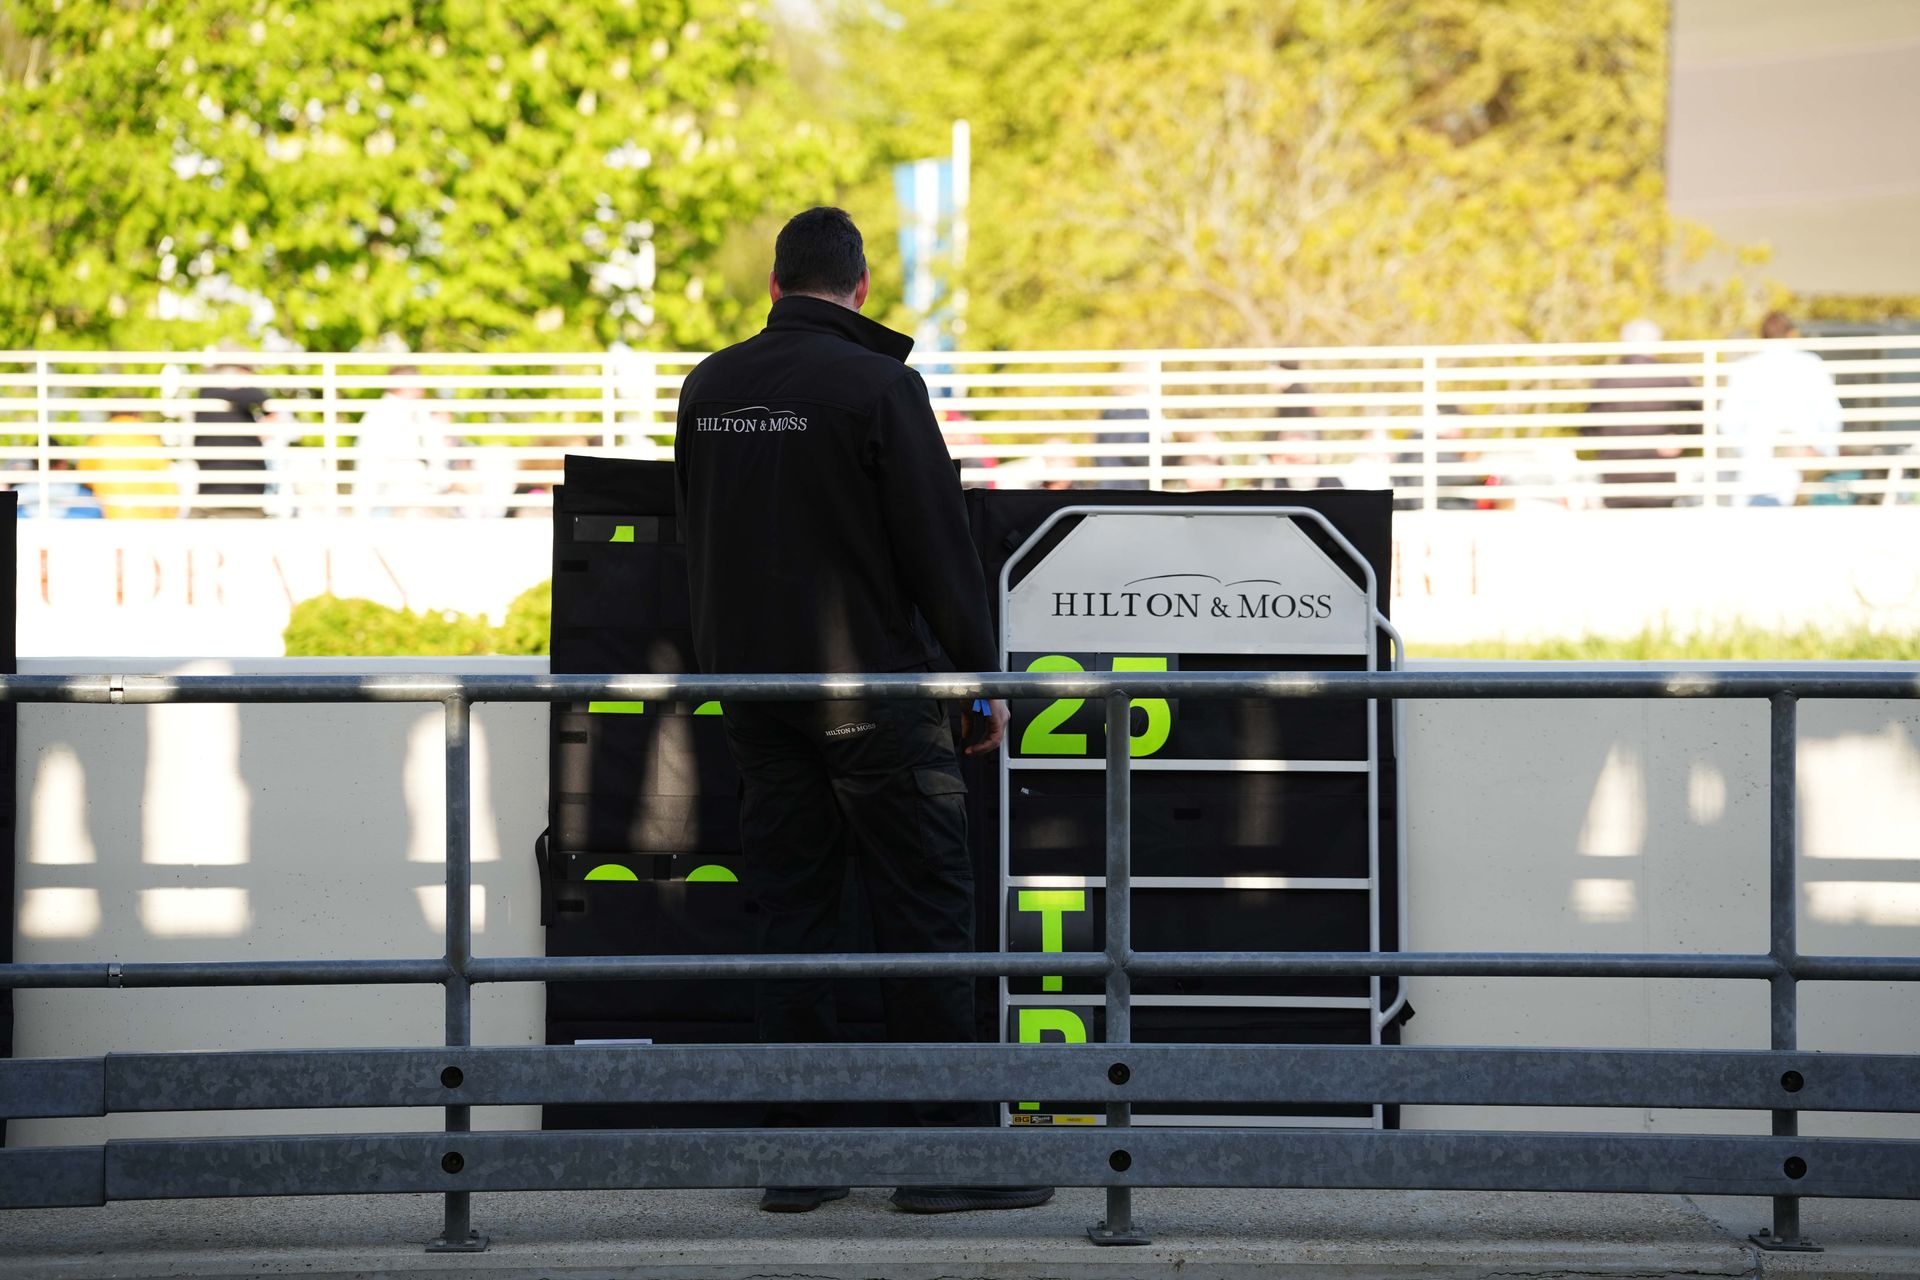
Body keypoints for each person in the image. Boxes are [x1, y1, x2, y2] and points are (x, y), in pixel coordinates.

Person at [673, 206, 1050, 1217]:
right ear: (863, 287)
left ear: (773, 286)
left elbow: (693, 537)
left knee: (794, 918)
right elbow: (938, 547)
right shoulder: (881, 385)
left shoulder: (708, 386)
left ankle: (800, 1159)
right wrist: (980, 680)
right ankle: (947, 1160)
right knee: (923, 912)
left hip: (756, 698)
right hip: (875, 698)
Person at [1718, 311, 1844, 506]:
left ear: (1762, 336)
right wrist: (1822, 449)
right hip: (1804, 463)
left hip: (1758, 467)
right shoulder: (1811, 365)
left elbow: (1729, 423)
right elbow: (1830, 415)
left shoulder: (1745, 369)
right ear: (1792, 333)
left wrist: (1749, 450)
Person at [1584, 320, 1696, 509]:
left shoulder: (1605, 380)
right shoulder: (1672, 378)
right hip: (1659, 480)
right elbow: (1701, 415)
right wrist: (1681, 437)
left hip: (1615, 482)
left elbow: (1588, 429)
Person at [192, 361, 274, 517]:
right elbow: (264, 403)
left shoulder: (213, 398)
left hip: (220, 494)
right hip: (235, 496)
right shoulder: (216, 396)